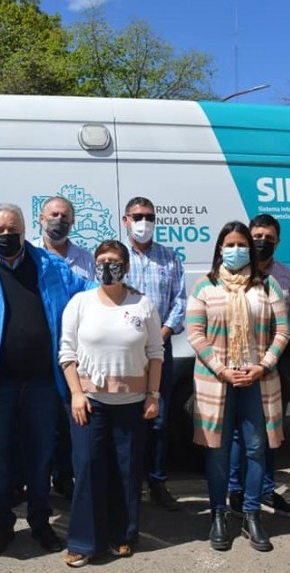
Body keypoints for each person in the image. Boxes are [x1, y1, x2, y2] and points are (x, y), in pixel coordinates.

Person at [0, 203, 89, 556]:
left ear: (25, 230)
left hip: (42, 383)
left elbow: (91, 294)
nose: (6, 236)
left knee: (41, 457)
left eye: (13, 230)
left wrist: (127, 294)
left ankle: (40, 523)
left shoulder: (53, 266)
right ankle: (3, 524)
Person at [187, 221, 290, 553]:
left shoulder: (267, 285)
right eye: (229, 244)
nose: (236, 250)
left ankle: (251, 513)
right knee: (217, 452)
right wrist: (221, 369)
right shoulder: (205, 285)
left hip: (258, 381)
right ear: (219, 248)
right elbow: (195, 334)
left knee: (256, 448)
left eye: (241, 244)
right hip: (218, 381)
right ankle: (219, 513)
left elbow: (282, 332)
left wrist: (262, 366)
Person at [59, 240, 163, 567]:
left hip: (132, 403)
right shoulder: (80, 303)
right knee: (88, 469)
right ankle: (84, 542)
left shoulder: (143, 305)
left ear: (126, 267)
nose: (107, 266)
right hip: (90, 403)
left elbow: (156, 354)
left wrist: (153, 395)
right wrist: (76, 393)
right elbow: (67, 353)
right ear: (94, 265)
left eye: (114, 261)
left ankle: (122, 534)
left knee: (126, 470)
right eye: (102, 261)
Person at [229, 213, 290, 518]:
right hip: (239, 360)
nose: (262, 242)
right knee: (236, 431)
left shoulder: (286, 276)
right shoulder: (234, 273)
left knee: (271, 428)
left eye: (269, 238)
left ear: (278, 241)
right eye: (256, 236)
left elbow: (288, 317)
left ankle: (267, 490)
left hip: (273, 361)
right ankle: (235, 490)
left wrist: (271, 355)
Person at [121, 196, 186, 510]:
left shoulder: (169, 258)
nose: (143, 221)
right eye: (137, 216)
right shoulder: (117, 257)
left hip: (161, 349)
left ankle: (158, 482)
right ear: (126, 220)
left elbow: (180, 302)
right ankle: (129, 484)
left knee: (158, 418)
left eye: (149, 216)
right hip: (126, 351)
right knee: (127, 418)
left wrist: (164, 332)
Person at [33, 196, 96, 500]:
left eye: (65, 215)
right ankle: (36, 482)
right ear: (41, 218)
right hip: (38, 350)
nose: (59, 219)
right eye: (53, 214)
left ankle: (64, 478)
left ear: (73, 221)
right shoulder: (29, 254)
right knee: (38, 423)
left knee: (69, 418)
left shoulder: (87, 259)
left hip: (76, 352)